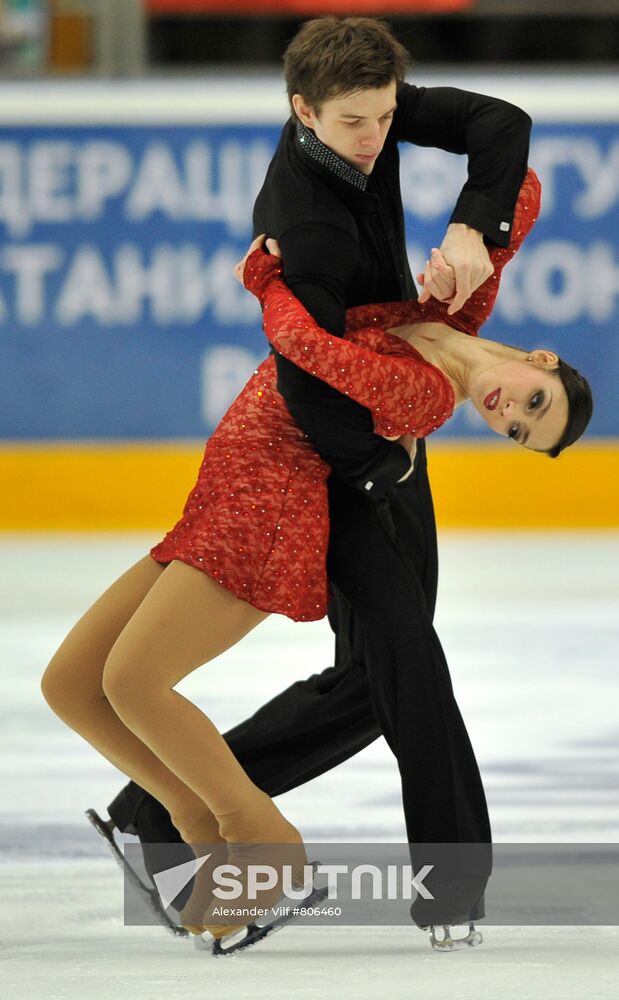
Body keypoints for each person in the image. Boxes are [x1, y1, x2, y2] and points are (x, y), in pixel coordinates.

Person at [41, 16, 535, 946]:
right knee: (90, 684)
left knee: (388, 669)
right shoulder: (306, 229)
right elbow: (308, 373)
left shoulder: (359, 119)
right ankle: (202, 831)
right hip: (311, 458)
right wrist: (375, 449)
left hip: (313, 466)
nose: (377, 139)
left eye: (387, 117)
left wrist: (477, 223)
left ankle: (247, 842)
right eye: (356, 123)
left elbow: (504, 131)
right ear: (303, 112)